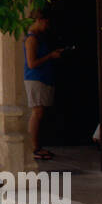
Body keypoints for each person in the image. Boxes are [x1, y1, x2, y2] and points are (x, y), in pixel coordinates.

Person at [24, 9, 65, 160]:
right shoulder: (32, 39)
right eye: (45, 22)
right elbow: (31, 63)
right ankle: (34, 147)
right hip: (36, 79)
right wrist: (50, 56)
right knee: (37, 112)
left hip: (43, 78)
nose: (47, 25)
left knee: (40, 112)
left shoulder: (39, 38)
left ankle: (37, 145)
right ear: (38, 21)